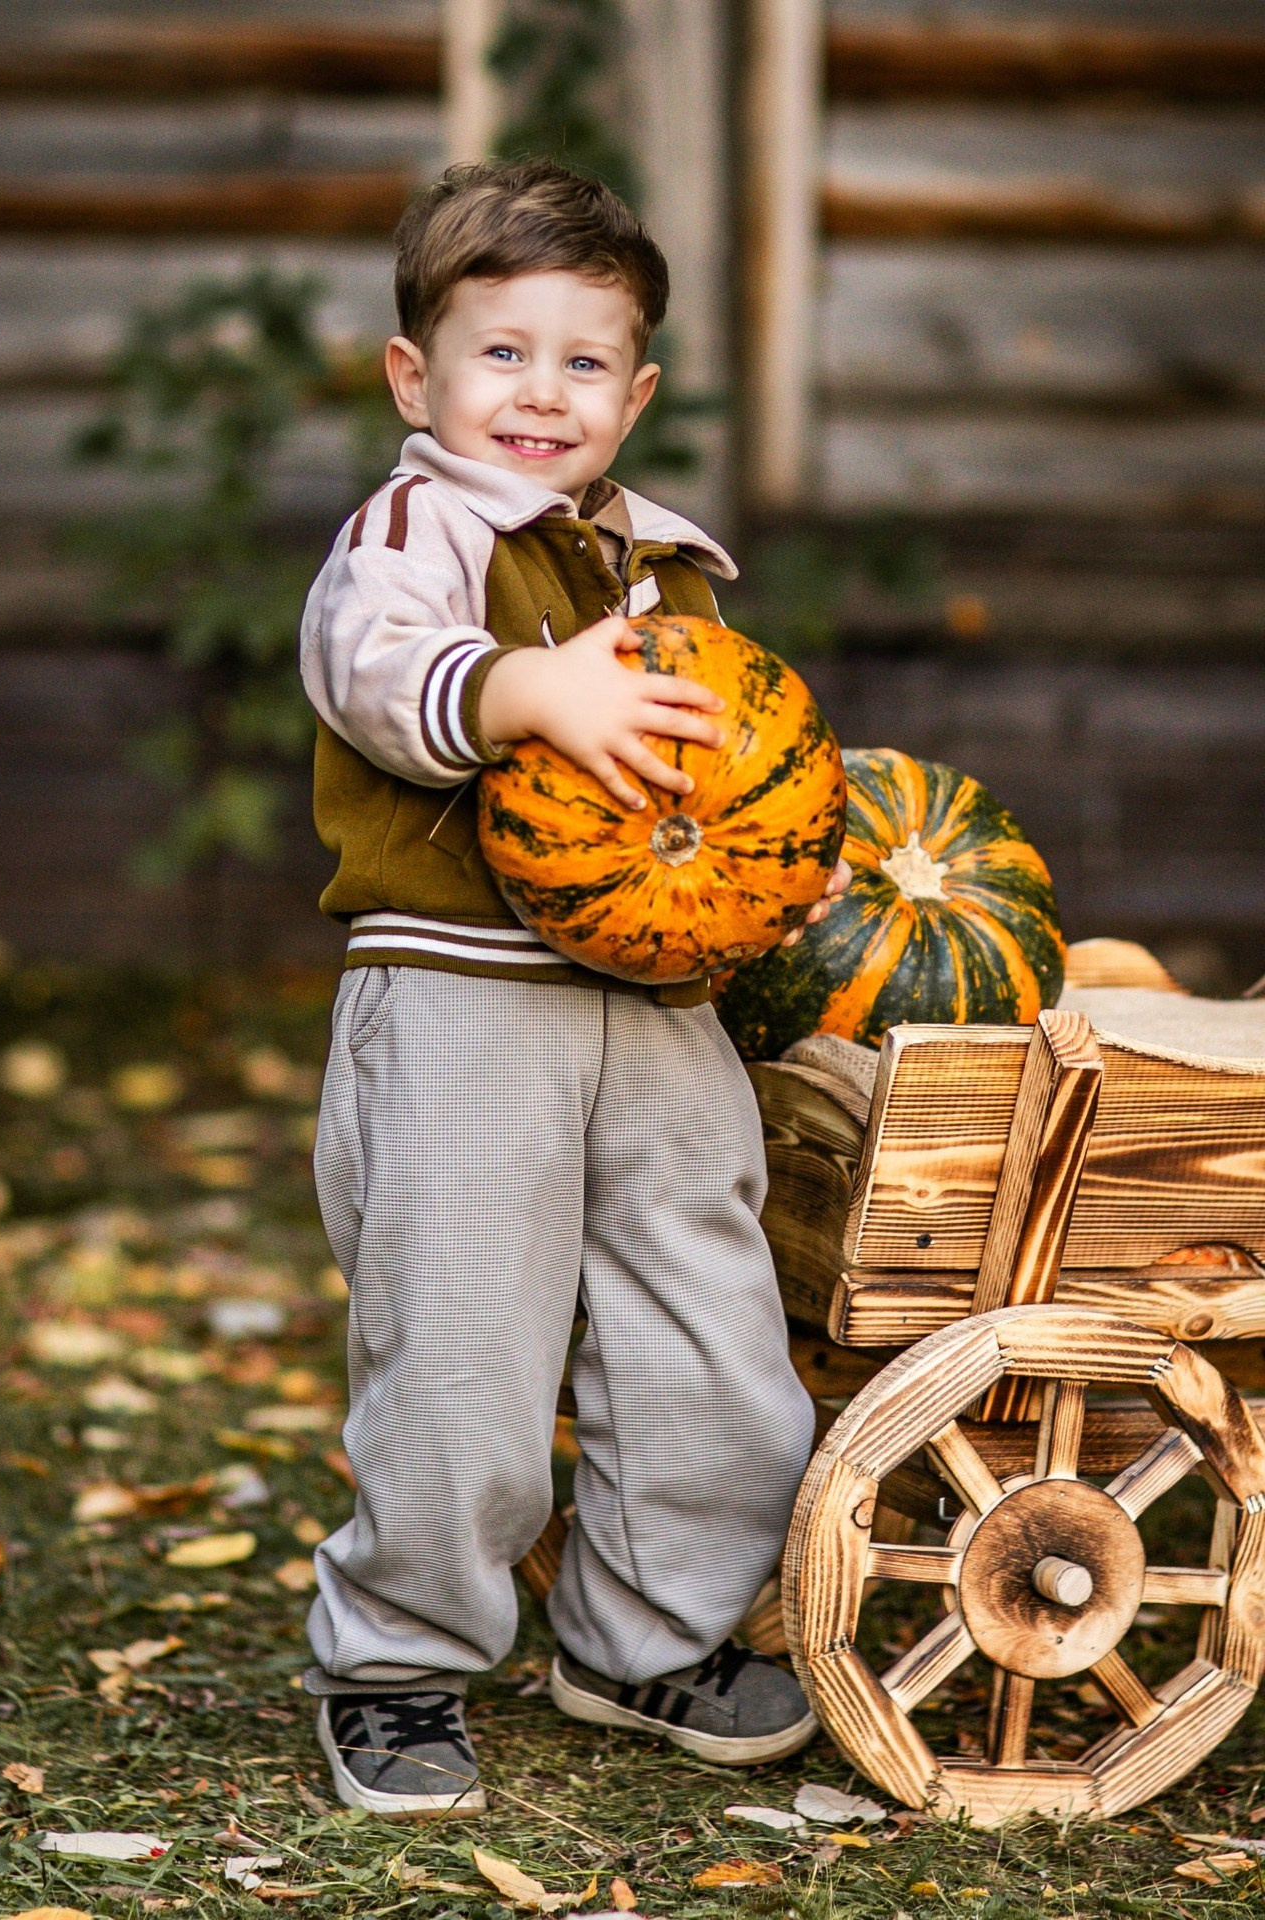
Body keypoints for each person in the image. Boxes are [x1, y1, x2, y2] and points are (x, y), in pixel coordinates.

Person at [299, 157, 850, 1816]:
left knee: (711, 1333)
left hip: (662, 1009)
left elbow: (721, 761)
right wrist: (528, 689)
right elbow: (373, 670)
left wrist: (779, 852)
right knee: (462, 1343)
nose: (542, 392)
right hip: (468, 1000)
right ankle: (396, 1654)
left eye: (585, 361)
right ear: (418, 374)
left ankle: (644, 1634)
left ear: (639, 391)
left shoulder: (662, 567)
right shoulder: (412, 533)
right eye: (501, 352)